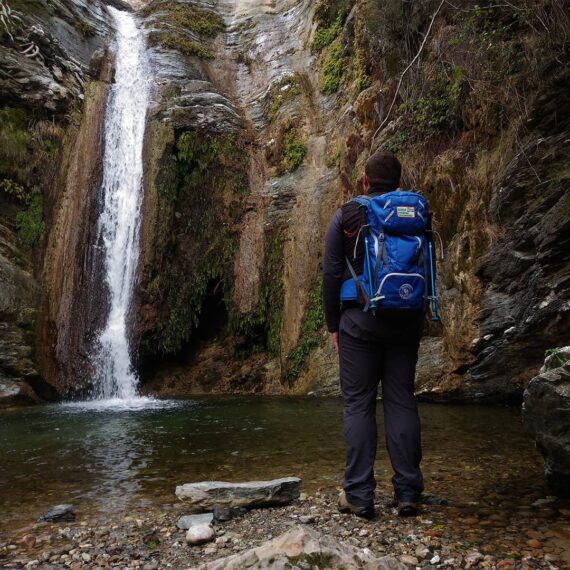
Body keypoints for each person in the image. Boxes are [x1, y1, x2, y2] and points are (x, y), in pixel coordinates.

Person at [322, 151, 425, 519]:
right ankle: (409, 492)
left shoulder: (349, 214)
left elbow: (332, 274)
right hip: (406, 319)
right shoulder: (413, 214)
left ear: (365, 180)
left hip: (359, 323)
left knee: (358, 404)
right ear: (397, 182)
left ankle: (360, 495)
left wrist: (333, 324)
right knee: (401, 400)